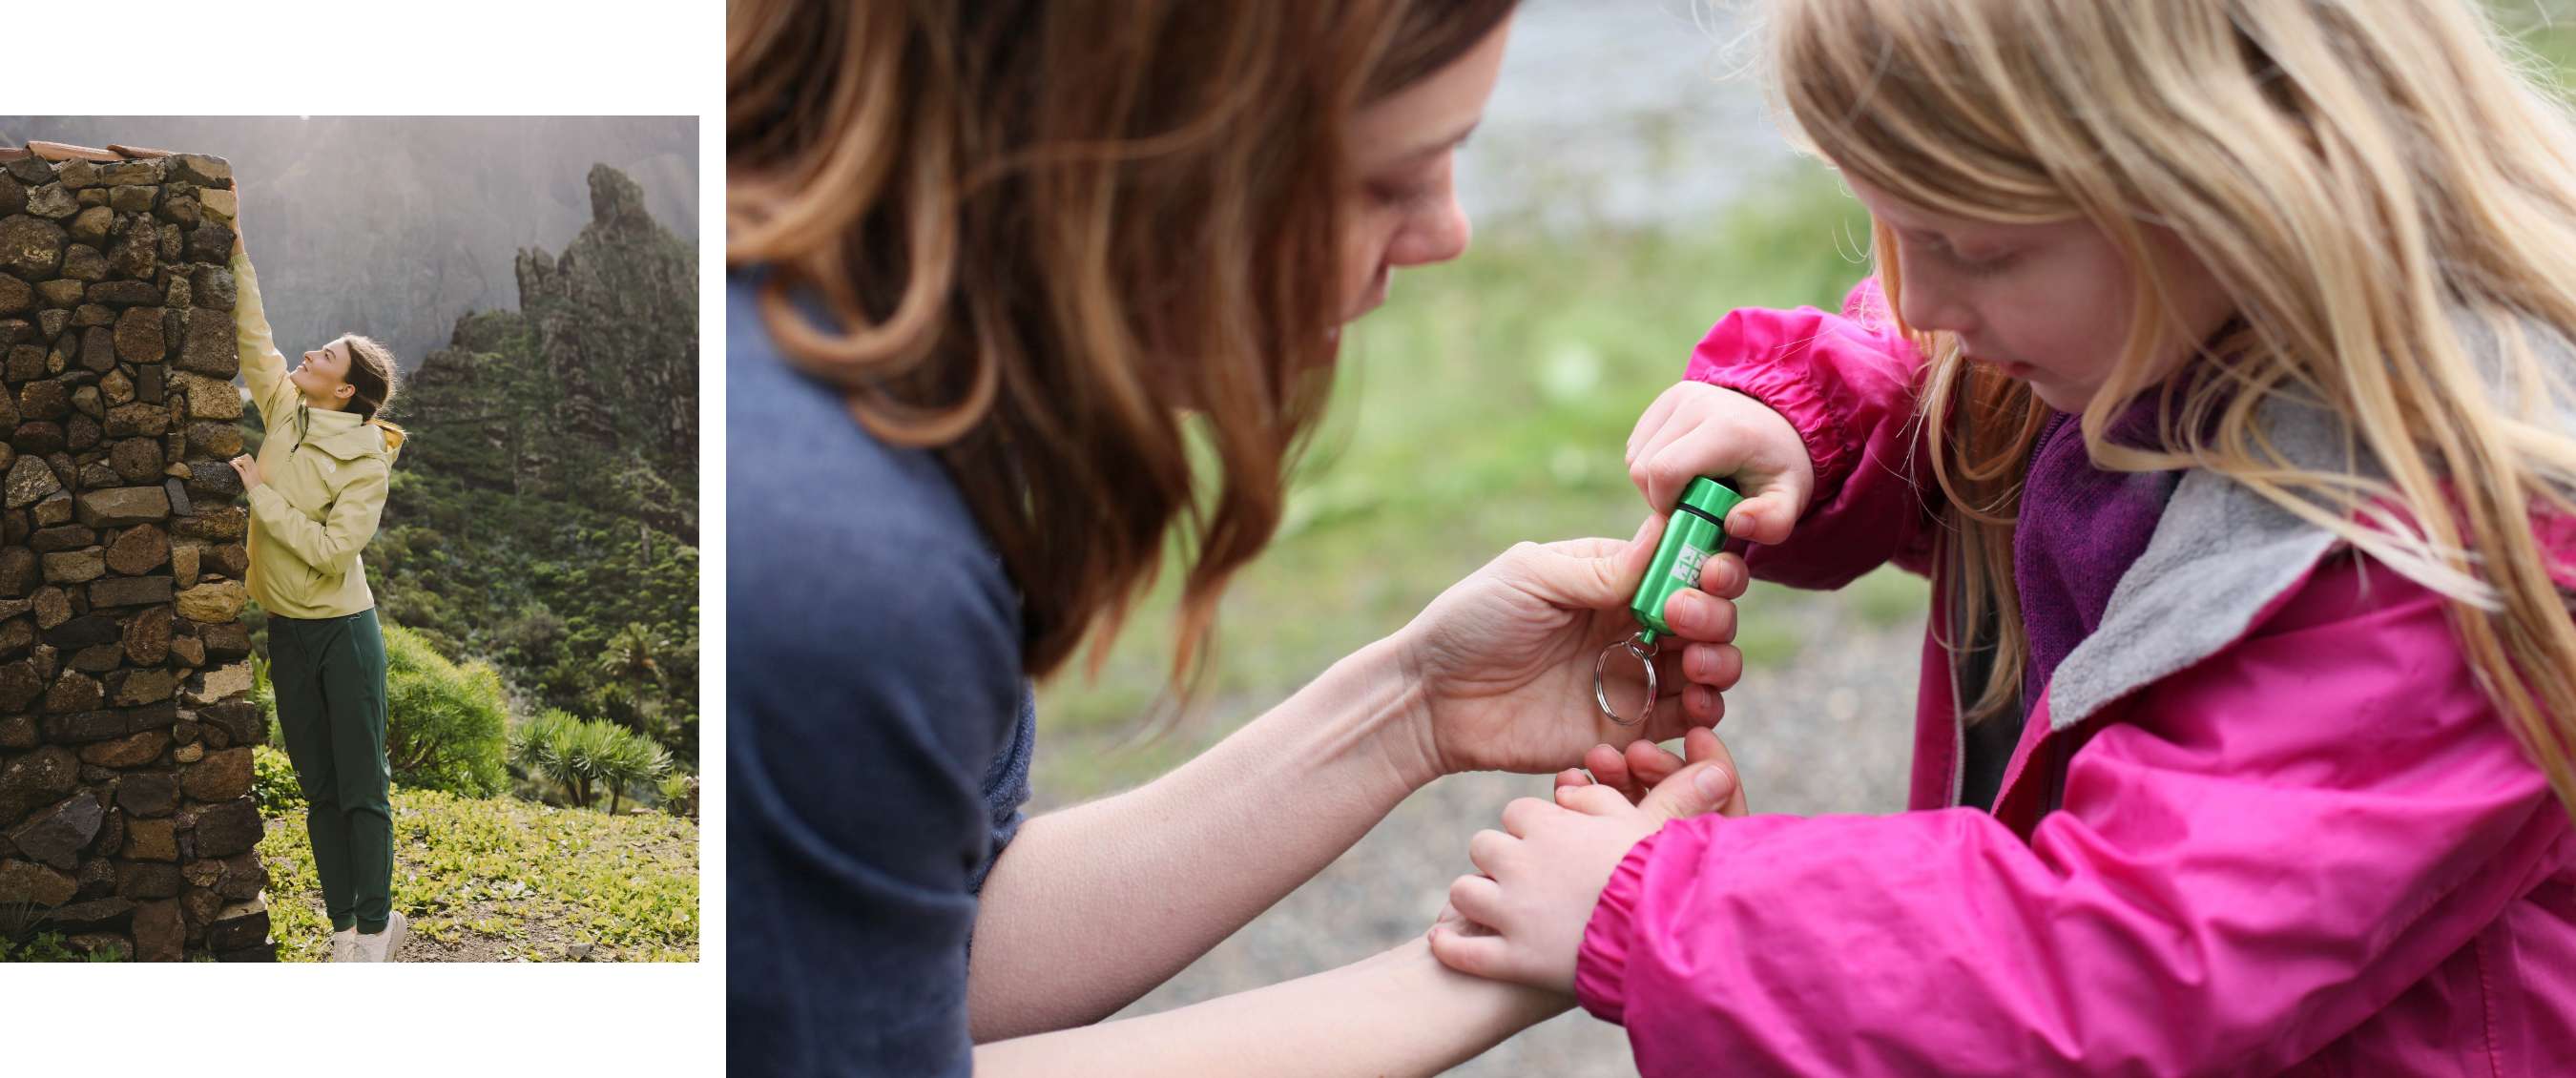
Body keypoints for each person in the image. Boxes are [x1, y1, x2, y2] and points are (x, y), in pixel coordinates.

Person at [1427, 1, 2576, 1072]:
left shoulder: (2443, 556)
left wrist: (1657, 905)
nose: (1921, 298)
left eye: (1975, 248)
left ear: (2233, 181)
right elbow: (1943, 378)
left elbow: (2123, 953)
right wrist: (1811, 419)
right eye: (1890, 222)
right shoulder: (2154, 327)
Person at [725, 2, 1751, 1073]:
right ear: (1138, 152)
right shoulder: (834, 557)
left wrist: (1418, 703)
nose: (1450, 233)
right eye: (1389, 180)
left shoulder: (863, 363)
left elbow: (904, 947)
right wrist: (1536, 947)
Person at [225, 199, 411, 964]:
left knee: (362, 788)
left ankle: (377, 929)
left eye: (326, 356)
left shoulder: (367, 456)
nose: (309, 356)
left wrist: (258, 495)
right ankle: (347, 931)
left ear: (347, 390)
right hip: (287, 629)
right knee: (318, 789)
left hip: (344, 632)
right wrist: (236, 251)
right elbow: (254, 339)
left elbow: (335, 551)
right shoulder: (284, 406)